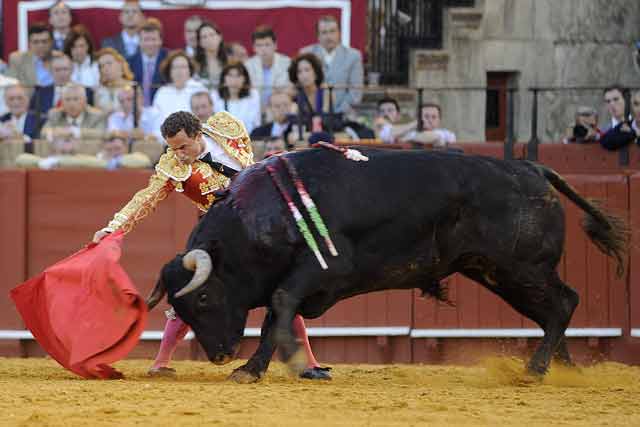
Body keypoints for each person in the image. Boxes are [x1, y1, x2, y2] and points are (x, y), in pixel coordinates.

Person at [91, 110, 331, 380]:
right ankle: (161, 362)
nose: (178, 154)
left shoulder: (227, 127)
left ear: (197, 134)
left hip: (259, 230)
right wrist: (113, 228)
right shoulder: (172, 166)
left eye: (183, 146)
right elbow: (145, 198)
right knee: (193, 289)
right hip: (219, 238)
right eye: (172, 148)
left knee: (283, 290)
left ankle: (309, 363)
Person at [300, 15, 363, 115]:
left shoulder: (353, 56)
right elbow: (300, 87)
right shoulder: (306, 54)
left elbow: (355, 94)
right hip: (311, 114)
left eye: (332, 31)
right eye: (324, 32)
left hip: (344, 115)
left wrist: (336, 113)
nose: (329, 37)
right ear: (318, 36)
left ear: (339, 33)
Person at [29, 52, 93, 116]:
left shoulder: (86, 92)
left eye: (65, 69)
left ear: (72, 70)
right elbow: (32, 115)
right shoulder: (40, 93)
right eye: (57, 70)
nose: (61, 73)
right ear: (50, 71)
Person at [244, 26, 292, 110]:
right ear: (254, 48)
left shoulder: (287, 63)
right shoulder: (247, 66)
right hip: (255, 110)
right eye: (259, 45)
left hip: (281, 109)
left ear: (275, 45)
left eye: (267, 45)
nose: (263, 49)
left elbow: (291, 91)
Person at [153, 50, 206, 124]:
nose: (179, 71)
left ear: (189, 70)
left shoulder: (199, 89)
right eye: (175, 67)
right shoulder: (162, 92)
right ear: (169, 71)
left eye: (183, 67)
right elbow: (156, 120)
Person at [211, 62, 261, 134]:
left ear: (245, 79)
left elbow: (256, 123)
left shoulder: (253, 95)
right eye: (230, 75)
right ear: (224, 79)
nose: (234, 80)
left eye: (238, 76)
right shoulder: (215, 96)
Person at [128, 18, 168, 106]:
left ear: (160, 41)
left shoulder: (169, 59)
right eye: (146, 39)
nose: (150, 44)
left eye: (153, 39)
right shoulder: (130, 62)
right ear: (139, 41)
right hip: (137, 109)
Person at [7, 23, 54, 93]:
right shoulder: (17, 59)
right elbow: (10, 86)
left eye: (44, 42)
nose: (40, 46)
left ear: (51, 42)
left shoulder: (60, 59)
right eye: (35, 42)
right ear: (29, 43)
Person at [0, 84, 43, 151]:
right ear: (5, 102)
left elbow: (41, 144)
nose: (16, 102)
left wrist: (20, 137)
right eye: (11, 99)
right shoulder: (2, 120)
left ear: (28, 99)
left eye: (20, 98)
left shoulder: (39, 119)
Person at [94, 48, 135, 114]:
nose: (105, 68)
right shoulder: (99, 91)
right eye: (102, 66)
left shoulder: (133, 87)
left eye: (109, 63)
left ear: (120, 64)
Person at [64, 25, 100, 89]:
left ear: (88, 46)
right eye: (74, 46)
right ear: (69, 48)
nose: (78, 51)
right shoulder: (63, 67)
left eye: (81, 46)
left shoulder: (98, 65)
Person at [194, 21, 227, 90]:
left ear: (220, 37)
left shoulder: (230, 61)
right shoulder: (194, 64)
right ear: (200, 43)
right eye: (204, 37)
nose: (209, 39)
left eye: (212, 35)